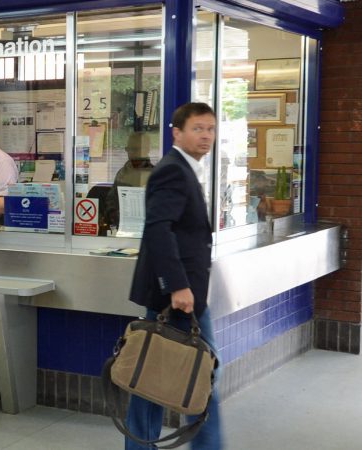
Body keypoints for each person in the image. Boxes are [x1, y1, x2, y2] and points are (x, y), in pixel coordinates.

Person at [125, 102, 221, 449]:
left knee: (153, 376)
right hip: (179, 297)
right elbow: (158, 229)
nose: (206, 135)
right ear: (176, 132)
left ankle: (140, 446)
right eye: (198, 128)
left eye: (210, 128)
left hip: (186, 295)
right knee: (200, 377)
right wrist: (178, 285)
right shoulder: (173, 170)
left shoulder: (187, 169)